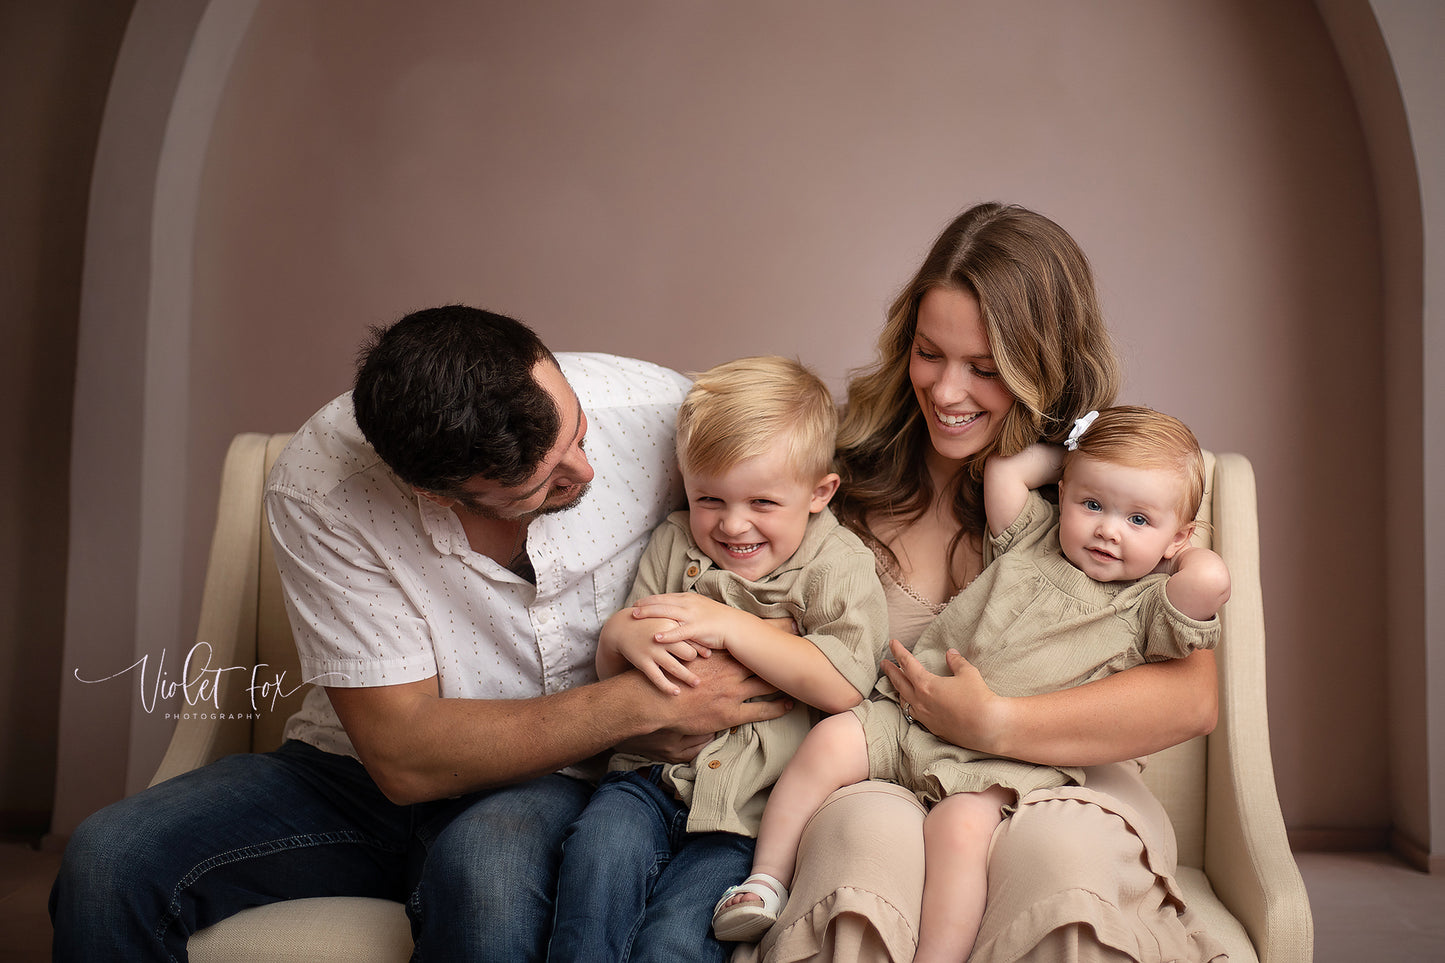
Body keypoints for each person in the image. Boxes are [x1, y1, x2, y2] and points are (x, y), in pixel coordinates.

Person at [50, 306, 792, 962]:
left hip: (556, 779)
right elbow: (401, 756)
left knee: (488, 884)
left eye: (575, 431)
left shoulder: (660, 411)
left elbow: (802, 494)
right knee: (111, 859)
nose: (585, 469)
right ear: (433, 492)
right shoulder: (322, 483)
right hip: (353, 773)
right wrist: (640, 705)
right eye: (540, 486)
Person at [731, 202, 1230, 963]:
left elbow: (1192, 700)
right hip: (891, 760)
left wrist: (994, 724)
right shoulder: (837, 473)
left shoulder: (1109, 506)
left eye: (986, 369)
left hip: (1059, 776)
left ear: (1043, 367)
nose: (946, 391)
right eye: (929, 353)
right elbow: (743, 588)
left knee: (1056, 859)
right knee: (863, 843)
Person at [546, 355, 889, 962]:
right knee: (594, 864)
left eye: (762, 502)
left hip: (748, 812)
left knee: (676, 939)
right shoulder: (673, 542)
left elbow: (843, 685)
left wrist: (733, 626)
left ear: (820, 492)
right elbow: (618, 682)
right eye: (710, 498)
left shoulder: (838, 564)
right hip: (645, 780)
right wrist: (618, 640)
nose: (733, 525)